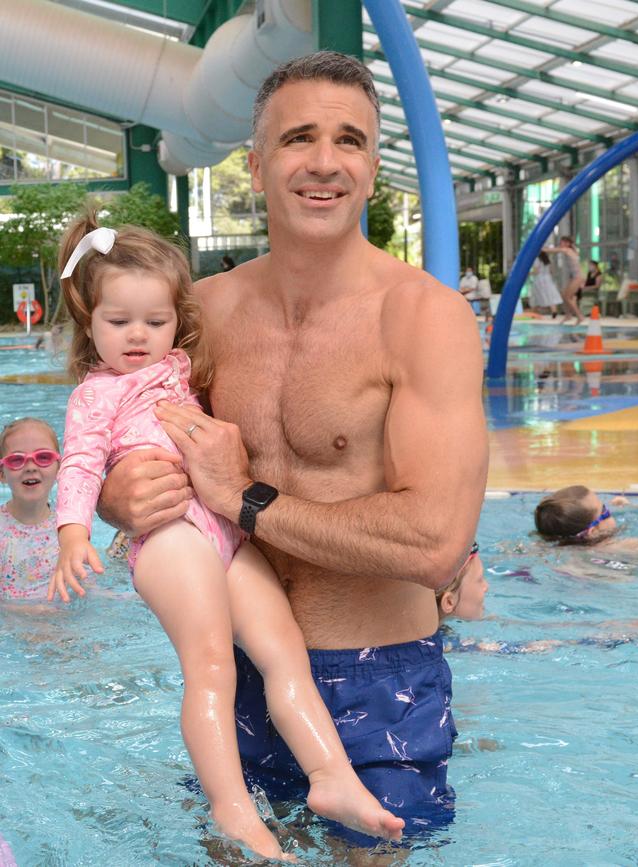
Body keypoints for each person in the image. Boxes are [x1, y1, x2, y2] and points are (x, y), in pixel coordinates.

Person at [99, 51, 488, 835]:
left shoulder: (423, 317)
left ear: (374, 168)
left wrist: (244, 501)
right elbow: (121, 430)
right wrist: (117, 495)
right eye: (297, 138)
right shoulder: (203, 313)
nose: (324, 162)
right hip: (238, 674)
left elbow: (436, 540)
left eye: (349, 141)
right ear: (255, 165)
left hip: (380, 678)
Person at [49, 212, 404, 860]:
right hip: (167, 538)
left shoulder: (183, 363)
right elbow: (78, 463)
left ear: (175, 321)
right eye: (118, 321)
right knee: (210, 665)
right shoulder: (94, 397)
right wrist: (75, 534)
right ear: (88, 317)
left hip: (223, 533)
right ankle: (233, 807)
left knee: (282, 648)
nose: (137, 336)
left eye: (154, 322)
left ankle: (332, 776)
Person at [0, 418, 61, 601]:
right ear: (2, 474)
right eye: (16, 460)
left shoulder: (69, 529)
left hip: (60, 624)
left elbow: (87, 584)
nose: (31, 467)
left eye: (43, 457)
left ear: (60, 467)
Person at [534, 486, 638, 553]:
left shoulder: (541, 550)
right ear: (593, 531)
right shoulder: (630, 546)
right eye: (604, 510)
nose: (608, 510)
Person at [544, 236, 584, 325]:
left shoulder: (567, 250)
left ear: (567, 244)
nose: (560, 244)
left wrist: (541, 249)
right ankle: (568, 315)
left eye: (562, 242)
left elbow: (553, 251)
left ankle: (580, 316)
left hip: (577, 277)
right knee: (563, 295)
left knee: (568, 298)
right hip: (574, 277)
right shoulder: (572, 251)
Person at [529, 251, 562, 317]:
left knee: (536, 295)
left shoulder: (536, 259)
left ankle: (533, 312)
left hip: (539, 279)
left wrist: (528, 273)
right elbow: (551, 271)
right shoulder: (547, 260)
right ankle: (554, 311)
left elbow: (536, 272)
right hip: (548, 279)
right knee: (550, 295)